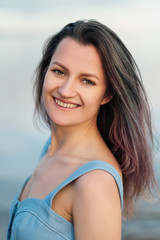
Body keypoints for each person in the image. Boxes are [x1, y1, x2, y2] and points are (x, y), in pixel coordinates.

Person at [7, 20, 157, 240]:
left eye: (87, 81)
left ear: (107, 95)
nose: (66, 91)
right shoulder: (50, 149)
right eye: (59, 71)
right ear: (46, 71)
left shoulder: (94, 183)